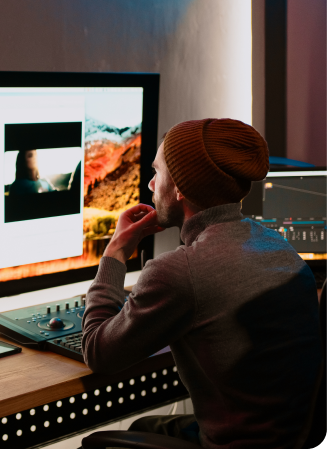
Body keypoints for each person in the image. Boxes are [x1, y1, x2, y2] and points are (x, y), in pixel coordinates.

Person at [81, 118, 322, 448]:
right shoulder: (281, 248)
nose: (151, 186)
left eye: (157, 173)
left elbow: (98, 352)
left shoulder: (180, 271)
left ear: (179, 187)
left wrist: (115, 252)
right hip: (290, 436)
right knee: (145, 425)